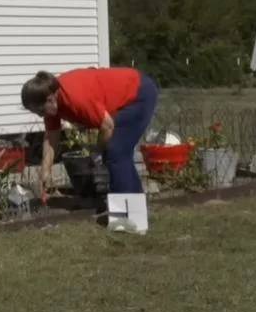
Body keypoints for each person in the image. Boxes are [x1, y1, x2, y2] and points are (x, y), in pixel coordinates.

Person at [22, 67, 159, 234]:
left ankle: (129, 221)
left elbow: (107, 125)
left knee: (115, 152)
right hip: (127, 97)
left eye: (40, 111)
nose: (40, 116)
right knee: (117, 153)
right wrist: (45, 169)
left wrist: (98, 151)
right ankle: (135, 215)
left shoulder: (75, 97)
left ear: (50, 99)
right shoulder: (52, 100)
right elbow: (51, 136)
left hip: (138, 94)